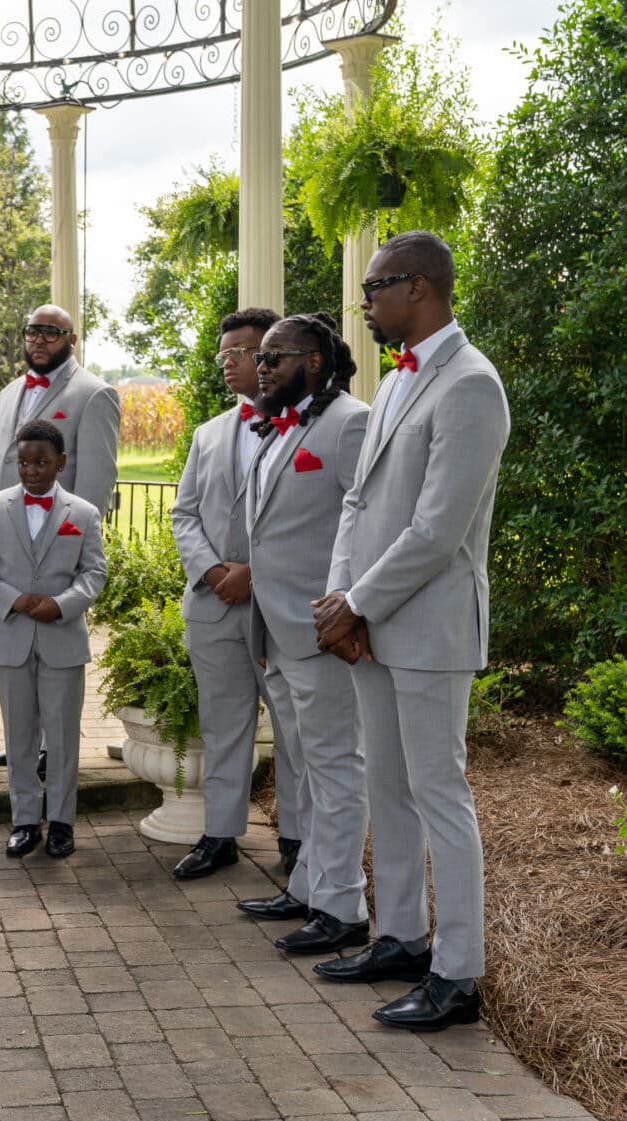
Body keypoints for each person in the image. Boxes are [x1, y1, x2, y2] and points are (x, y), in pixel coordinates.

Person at [313, 231, 510, 1032]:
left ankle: (458, 975)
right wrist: (338, 597)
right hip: (370, 619)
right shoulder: (397, 384)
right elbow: (358, 502)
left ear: (419, 288)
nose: (364, 303)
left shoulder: (471, 385)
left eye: (374, 287)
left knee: (438, 792)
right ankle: (399, 935)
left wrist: (356, 602)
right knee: (386, 789)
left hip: (428, 626)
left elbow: (436, 530)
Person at [234, 313, 373, 957]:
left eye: (273, 357)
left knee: (336, 768)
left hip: (323, 630)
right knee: (307, 769)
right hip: (277, 629)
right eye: (259, 358)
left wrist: (349, 610)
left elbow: (366, 525)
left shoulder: (350, 423)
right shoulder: (277, 426)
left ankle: (343, 907)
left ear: (314, 360)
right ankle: (310, 885)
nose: (260, 368)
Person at [170, 307, 303, 883]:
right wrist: (213, 572)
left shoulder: (310, 427)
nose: (229, 364)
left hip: (282, 607)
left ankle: (298, 837)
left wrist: (257, 572)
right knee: (223, 726)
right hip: (215, 603)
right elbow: (184, 513)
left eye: (240, 353)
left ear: (272, 353)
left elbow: (315, 522)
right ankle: (220, 834)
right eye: (223, 355)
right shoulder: (208, 434)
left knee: (295, 728)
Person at [0, 303, 121, 769]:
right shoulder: (8, 394)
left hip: (58, 548)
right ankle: (23, 742)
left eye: (51, 332)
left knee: (54, 657)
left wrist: (73, 547)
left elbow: (95, 484)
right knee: (16, 654)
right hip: (8, 542)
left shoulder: (94, 394)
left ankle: (50, 748)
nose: (38, 340)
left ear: (71, 339)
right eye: (32, 331)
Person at [0, 420, 107, 861]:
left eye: (41, 462)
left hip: (63, 639)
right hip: (11, 639)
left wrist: (63, 605)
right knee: (19, 735)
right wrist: (14, 599)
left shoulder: (82, 514)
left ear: (61, 463)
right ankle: (25, 821)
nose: (31, 470)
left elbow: (94, 573)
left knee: (63, 737)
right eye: (23, 461)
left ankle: (62, 823)